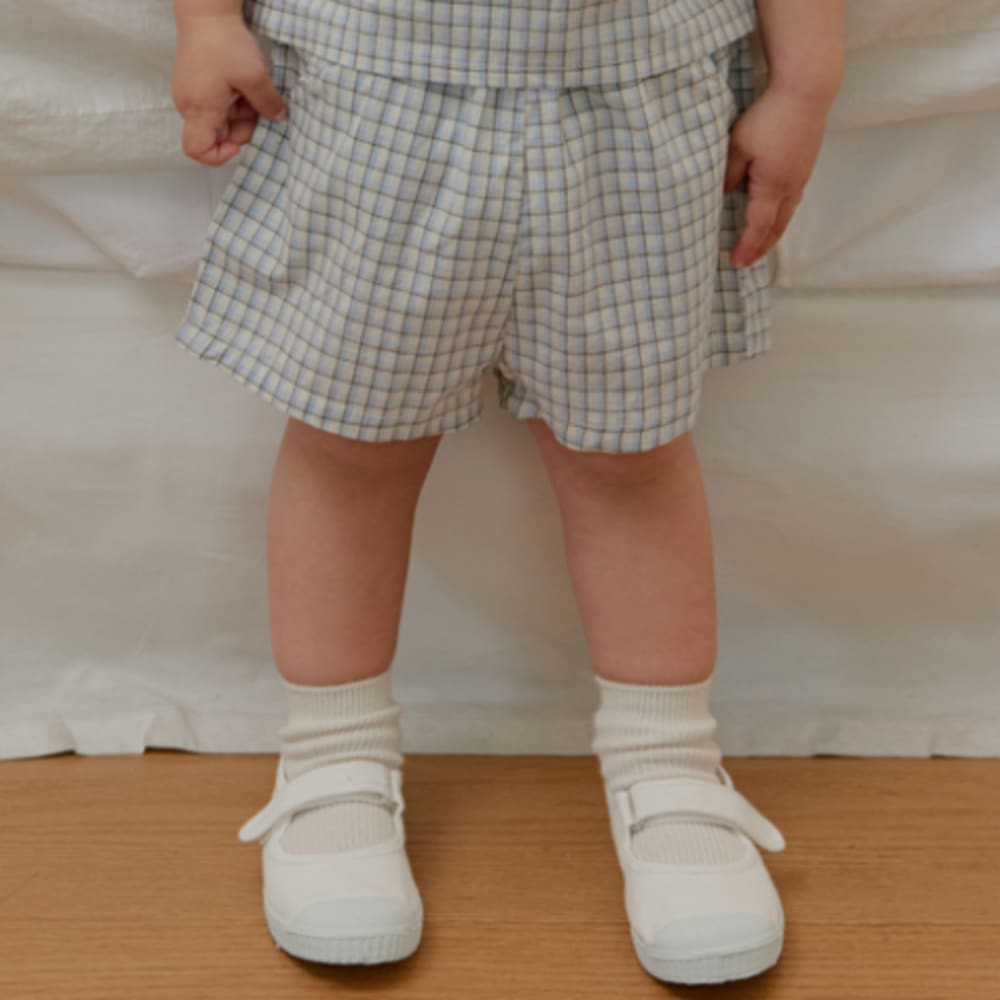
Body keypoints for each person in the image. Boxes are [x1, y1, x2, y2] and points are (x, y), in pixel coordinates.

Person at [170, 0, 844, 984]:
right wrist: (203, 20)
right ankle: (332, 758)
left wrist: (805, 83)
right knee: (350, 439)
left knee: (631, 451)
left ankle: (667, 765)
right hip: (373, 81)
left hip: (638, 89)